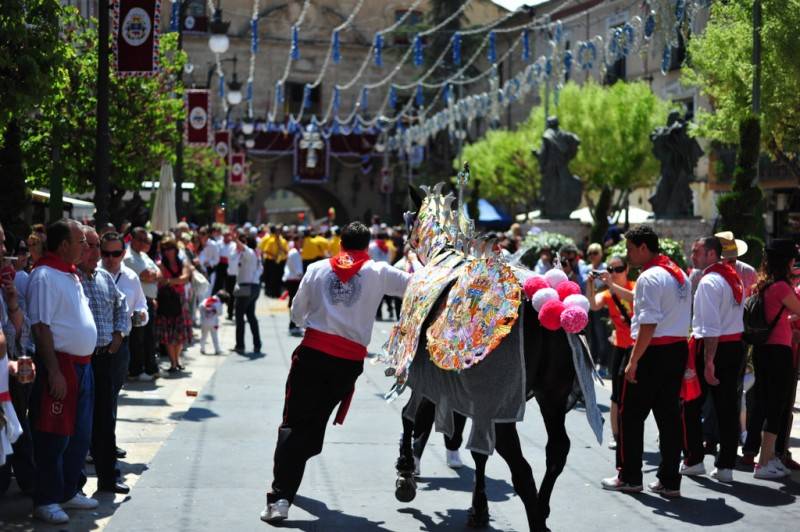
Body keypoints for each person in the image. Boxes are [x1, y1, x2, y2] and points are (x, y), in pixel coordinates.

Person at [262, 222, 410, 523]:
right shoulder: (380, 272)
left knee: (295, 425)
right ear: (366, 246)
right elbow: (417, 286)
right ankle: (287, 483)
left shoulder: (317, 269)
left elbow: (297, 312)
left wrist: (317, 319)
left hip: (313, 354)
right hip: (347, 364)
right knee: (312, 427)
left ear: (340, 243)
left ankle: (280, 497)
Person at [602, 225, 691, 497]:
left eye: (630, 249)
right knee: (669, 418)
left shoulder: (650, 277)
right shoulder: (677, 273)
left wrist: (634, 361)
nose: (627, 255)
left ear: (643, 247)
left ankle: (630, 477)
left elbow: (649, 324)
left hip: (651, 351)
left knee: (630, 416)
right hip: (675, 350)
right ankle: (669, 480)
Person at [27, 220, 98, 524]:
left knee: (79, 436)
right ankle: (47, 498)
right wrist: (54, 372)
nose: (86, 247)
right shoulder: (44, 275)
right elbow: (41, 326)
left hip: (83, 367)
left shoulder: (71, 275)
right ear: (63, 244)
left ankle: (69, 490)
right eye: (81, 241)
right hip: (61, 366)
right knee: (54, 437)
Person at [680, 236, 745, 483]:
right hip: (732, 345)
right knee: (727, 408)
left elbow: (710, 328)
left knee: (691, 403)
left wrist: (708, 362)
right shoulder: (732, 276)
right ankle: (726, 465)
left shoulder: (710, 281)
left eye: (696, 251)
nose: (692, 255)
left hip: (714, 348)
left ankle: (694, 459)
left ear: (710, 254)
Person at [77, 227, 131, 495]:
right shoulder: (71, 278)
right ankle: (74, 485)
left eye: (99, 246)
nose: (97, 253)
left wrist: (119, 333)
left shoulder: (104, 278)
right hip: (78, 360)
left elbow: (122, 306)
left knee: (105, 421)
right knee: (78, 424)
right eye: (91, 246)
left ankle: (109, 478)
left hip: (103, 359)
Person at [749, 239, 800, 479]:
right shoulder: (782, 287)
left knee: (766, 402)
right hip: (779, 351)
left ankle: (765, 459)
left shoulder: (765, 284)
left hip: (763, 350)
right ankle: (764, 462)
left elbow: (777, 316)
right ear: (787, 261)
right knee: (776, 406)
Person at [587, 255, 634, 451]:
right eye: (611, 269)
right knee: (616, 395)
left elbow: (634, 298)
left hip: (639, 347)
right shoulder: (607, 294)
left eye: (619, 269)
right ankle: (617, 435)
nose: (614, 273)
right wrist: (590, 285)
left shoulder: (636, 285)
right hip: (621, 348)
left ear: (627, 269)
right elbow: (593, 304)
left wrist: (612, 286)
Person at [99, 232, 147, 415]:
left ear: (124, 253)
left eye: (116, 253)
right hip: (97, 344)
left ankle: (107, 441)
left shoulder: (131, 277)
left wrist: (142, 315)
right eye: (106, 253)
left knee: (113, 393)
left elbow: (142, 304)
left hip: (121, 344)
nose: (110, 258)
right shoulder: (92, 272)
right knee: (99, 394)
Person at [124, 228, 161, 381]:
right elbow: (145, 275)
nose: (145, 244)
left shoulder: (143, 255)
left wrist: (153, 276)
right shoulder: (128, 257)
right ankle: (136, 370)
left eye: (147, 241)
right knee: (138, 336)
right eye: (141, 240)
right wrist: (152, 275)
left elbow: (159, 273)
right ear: (133, 239)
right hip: (137, 303)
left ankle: (148, 368)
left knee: (147, 335)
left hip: (147, 301)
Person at [156, 237, 192, 373]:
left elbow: (185, 278)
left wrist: (170, 281)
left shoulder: (183, 262)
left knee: (180, 333)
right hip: (166, 300)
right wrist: (175, 281)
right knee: (169, 333)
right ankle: (173, 362)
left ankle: (177, 360)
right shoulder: (160, 264)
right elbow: (160, 279)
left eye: (170, 248)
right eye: (165, 249)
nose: (167, 252)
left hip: (180, 300)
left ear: (175, 249)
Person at [231, 233, 262, 354]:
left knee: (239, 317)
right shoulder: (255, 254)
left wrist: (235, 239)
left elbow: (243, 247)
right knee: (251, 316)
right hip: (253, 287)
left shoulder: (249, 253)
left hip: (246, 288)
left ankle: (240, 345)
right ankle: (257, 344)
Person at [283, 234, 304, 336]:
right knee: (295, 304)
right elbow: (298, 270)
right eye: (300, 241)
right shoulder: (295, 253)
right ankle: (293, 325)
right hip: (294, 280)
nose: (302, 242)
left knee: (293, 303)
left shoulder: (293, 252)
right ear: (295, 241)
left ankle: (293, 325)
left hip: (292, 279)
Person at [260, 225, 289, 298]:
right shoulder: (271, 241)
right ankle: (272, 292)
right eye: (276, 232)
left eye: (279, 232)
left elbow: (286, 251)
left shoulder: (283, 241)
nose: (278, 233)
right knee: (272, 277)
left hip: (281, 261)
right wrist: (274, 256)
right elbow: (266, 251)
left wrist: (281, 247)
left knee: (279, 277)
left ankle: (278, 292)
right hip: (272, 261)